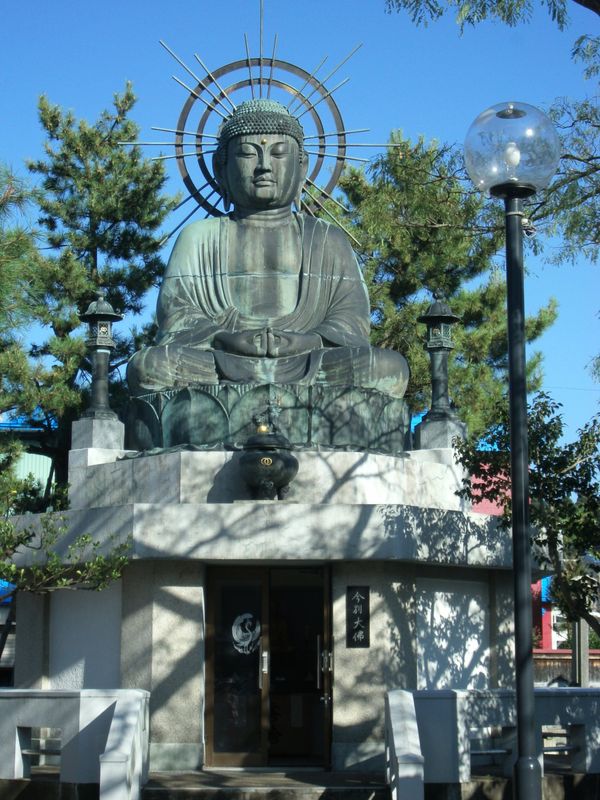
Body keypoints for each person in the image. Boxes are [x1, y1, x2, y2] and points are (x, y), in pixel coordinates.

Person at [127, 99, 409, 399]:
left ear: (302, 168)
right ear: (221, 169)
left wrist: (308, 342)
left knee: (386, 367)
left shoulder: (328, 239)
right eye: (247, 153)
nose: (263, 166)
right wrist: (225, 340)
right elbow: (176, 316)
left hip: (309, 361)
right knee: (150, 366)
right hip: (222, 362)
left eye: (278, 153)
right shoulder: (198, 237)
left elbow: (352, 322)